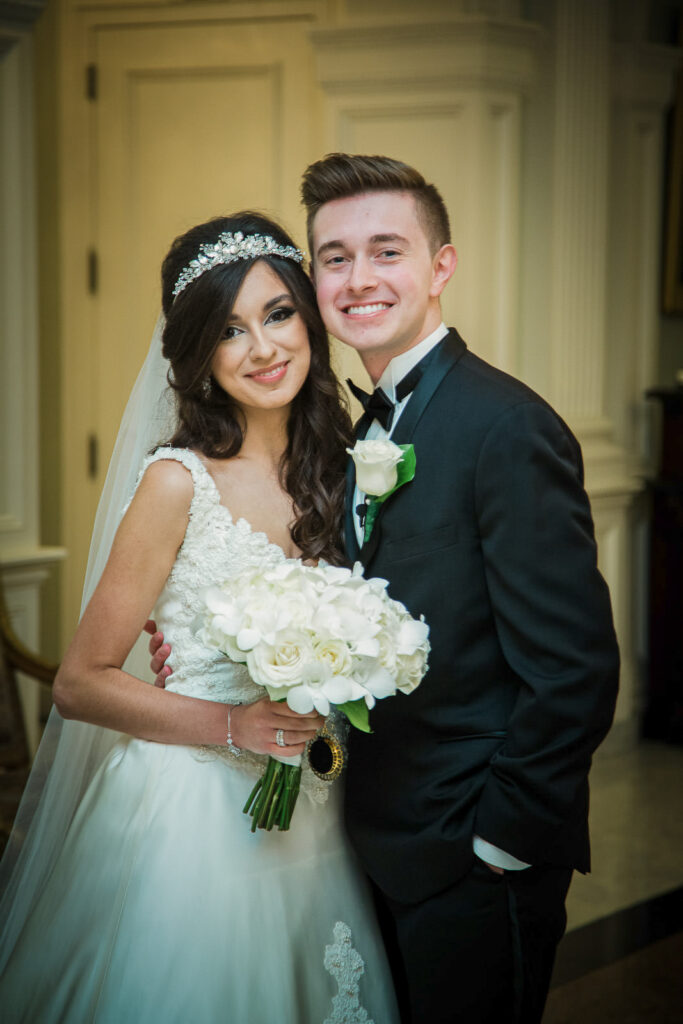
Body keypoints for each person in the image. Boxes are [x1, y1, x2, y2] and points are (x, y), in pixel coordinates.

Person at [154, 156, 620, 1022]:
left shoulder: (506, 427)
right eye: (335, 258)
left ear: (440, 267)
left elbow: (575, 671)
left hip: (471, 853)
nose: (359, 278)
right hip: (366, 842)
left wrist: (500, 842)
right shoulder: (351, 433)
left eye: (386, 251)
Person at [0, 212, 400, 1023]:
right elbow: (79, 683)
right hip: (190, 814)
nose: (263, 347)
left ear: (308, 319)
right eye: (229, 330)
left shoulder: (348, 468)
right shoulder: (176, 483)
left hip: (320, 809)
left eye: (278, 313)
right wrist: (231, 724)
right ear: (199, 356)